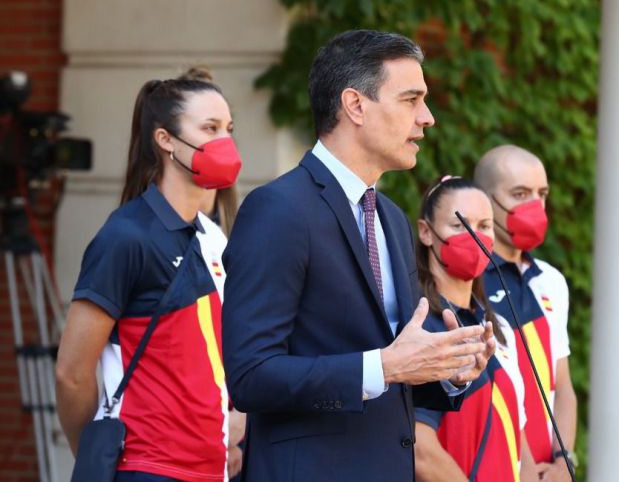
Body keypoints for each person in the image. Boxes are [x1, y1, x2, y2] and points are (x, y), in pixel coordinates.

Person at [221, 29, 496, 482]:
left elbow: (396, 375)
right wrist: (382, 367)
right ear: (355, 105)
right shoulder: (278, 209)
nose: (426, 118)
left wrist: (448, 370)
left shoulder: (391, 218)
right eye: (411, 99)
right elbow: (251, 375)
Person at [55, 73, 242, 481]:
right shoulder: (126, 236)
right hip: (146, 468)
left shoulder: (210, 237)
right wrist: (94, 451)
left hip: (210, 471)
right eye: (209, 129)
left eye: (228, 129)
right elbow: (71, 373)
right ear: (166, 140)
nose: (224, 142)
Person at [413, 176, 538, 482]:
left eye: (484, 226)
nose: (474, 235)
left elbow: (516, 437)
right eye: (459, 225)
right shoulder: (420, 325)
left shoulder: (497, 325)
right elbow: (419, 447)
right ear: (426, 232)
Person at [474, 145, 578, 481]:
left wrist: (564, 462)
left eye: (541, 193)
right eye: (520, 193)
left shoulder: (551, 281)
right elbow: (490, 390)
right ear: (485, 201)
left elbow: (561, 385)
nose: (534, 205)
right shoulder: (468, 283)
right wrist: (527, 469)